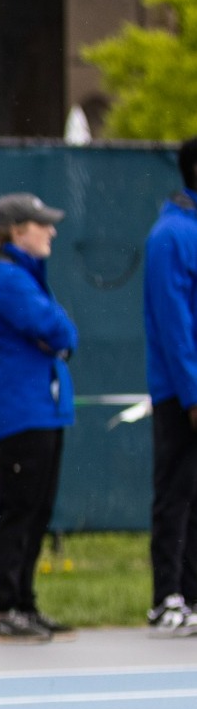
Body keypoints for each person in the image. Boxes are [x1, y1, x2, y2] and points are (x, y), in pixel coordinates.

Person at [0, 193, 77, 644]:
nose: (50, 231)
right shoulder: (8, 281)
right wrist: (57, 338)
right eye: (41, 224)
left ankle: (25, 604)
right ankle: (3, 609)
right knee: (19, 511)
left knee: (38, 511)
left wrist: (58, 338)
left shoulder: (25, 277)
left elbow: (62, 334)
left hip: (44, 410)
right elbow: (60, 331)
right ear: (16, 232)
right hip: (22, 412)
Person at [142, 136, 197, 636]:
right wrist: (193, 393)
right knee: (176, 491)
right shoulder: (171, 236)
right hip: (181, 392)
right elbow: (175, 322)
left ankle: (193, 594)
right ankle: (167, 597)